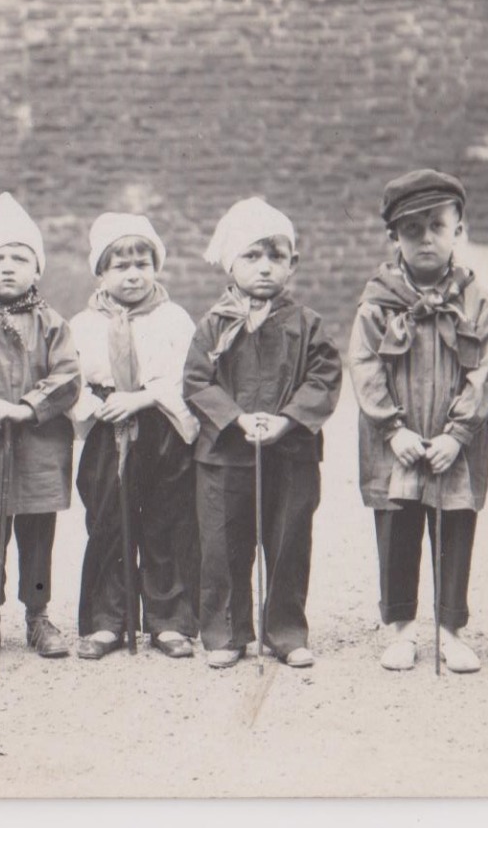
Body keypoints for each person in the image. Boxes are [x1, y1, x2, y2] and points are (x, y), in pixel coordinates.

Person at [347, 169, 488, 674]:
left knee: (454, 524)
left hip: (456, 442)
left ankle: (451, 631)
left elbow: (484, 369)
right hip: (399, 440)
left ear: (459, 229)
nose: (426, 238)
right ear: (394, 237)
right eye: (412, 230)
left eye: (437, 225)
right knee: (397, 526)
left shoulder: (476, 299)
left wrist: (459, 434)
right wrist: (393, 429)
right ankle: (402, 630)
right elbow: (365, 365)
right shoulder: (377, 300)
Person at [183, 199, 341, 669]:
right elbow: (196, 381)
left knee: (289, 540)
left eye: (277, 257)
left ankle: (286, 631)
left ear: (292, 264)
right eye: (252, 257)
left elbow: (324, 378)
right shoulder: (214, 325)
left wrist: (287, 418)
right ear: (230, 263)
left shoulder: (307, 324)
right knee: (223, 544)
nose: (265, 268)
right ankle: (227, 633)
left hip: (290, 452)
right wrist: (235, 418)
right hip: (226, 454)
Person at [0, 192, 80, 661]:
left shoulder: (52, 323)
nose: (8, 267)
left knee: (37, 536)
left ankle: (38, 615)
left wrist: (26, 406)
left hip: (39, 448)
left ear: (37, 268)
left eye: (20, 258)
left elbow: (67, 377)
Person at [69, 213, 201, 660]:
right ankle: (109, 619)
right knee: (108, 521)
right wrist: (95, 405)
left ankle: (168, 619)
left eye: (142, 264)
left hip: (160, 426)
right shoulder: (84, 324)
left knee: (166, 522)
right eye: (120, 266)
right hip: (109, 428)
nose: (132, 275)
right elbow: (70, 377)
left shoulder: (172, 318)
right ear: (101, 273)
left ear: (155, 268)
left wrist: (142, 399)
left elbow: (188, 373)